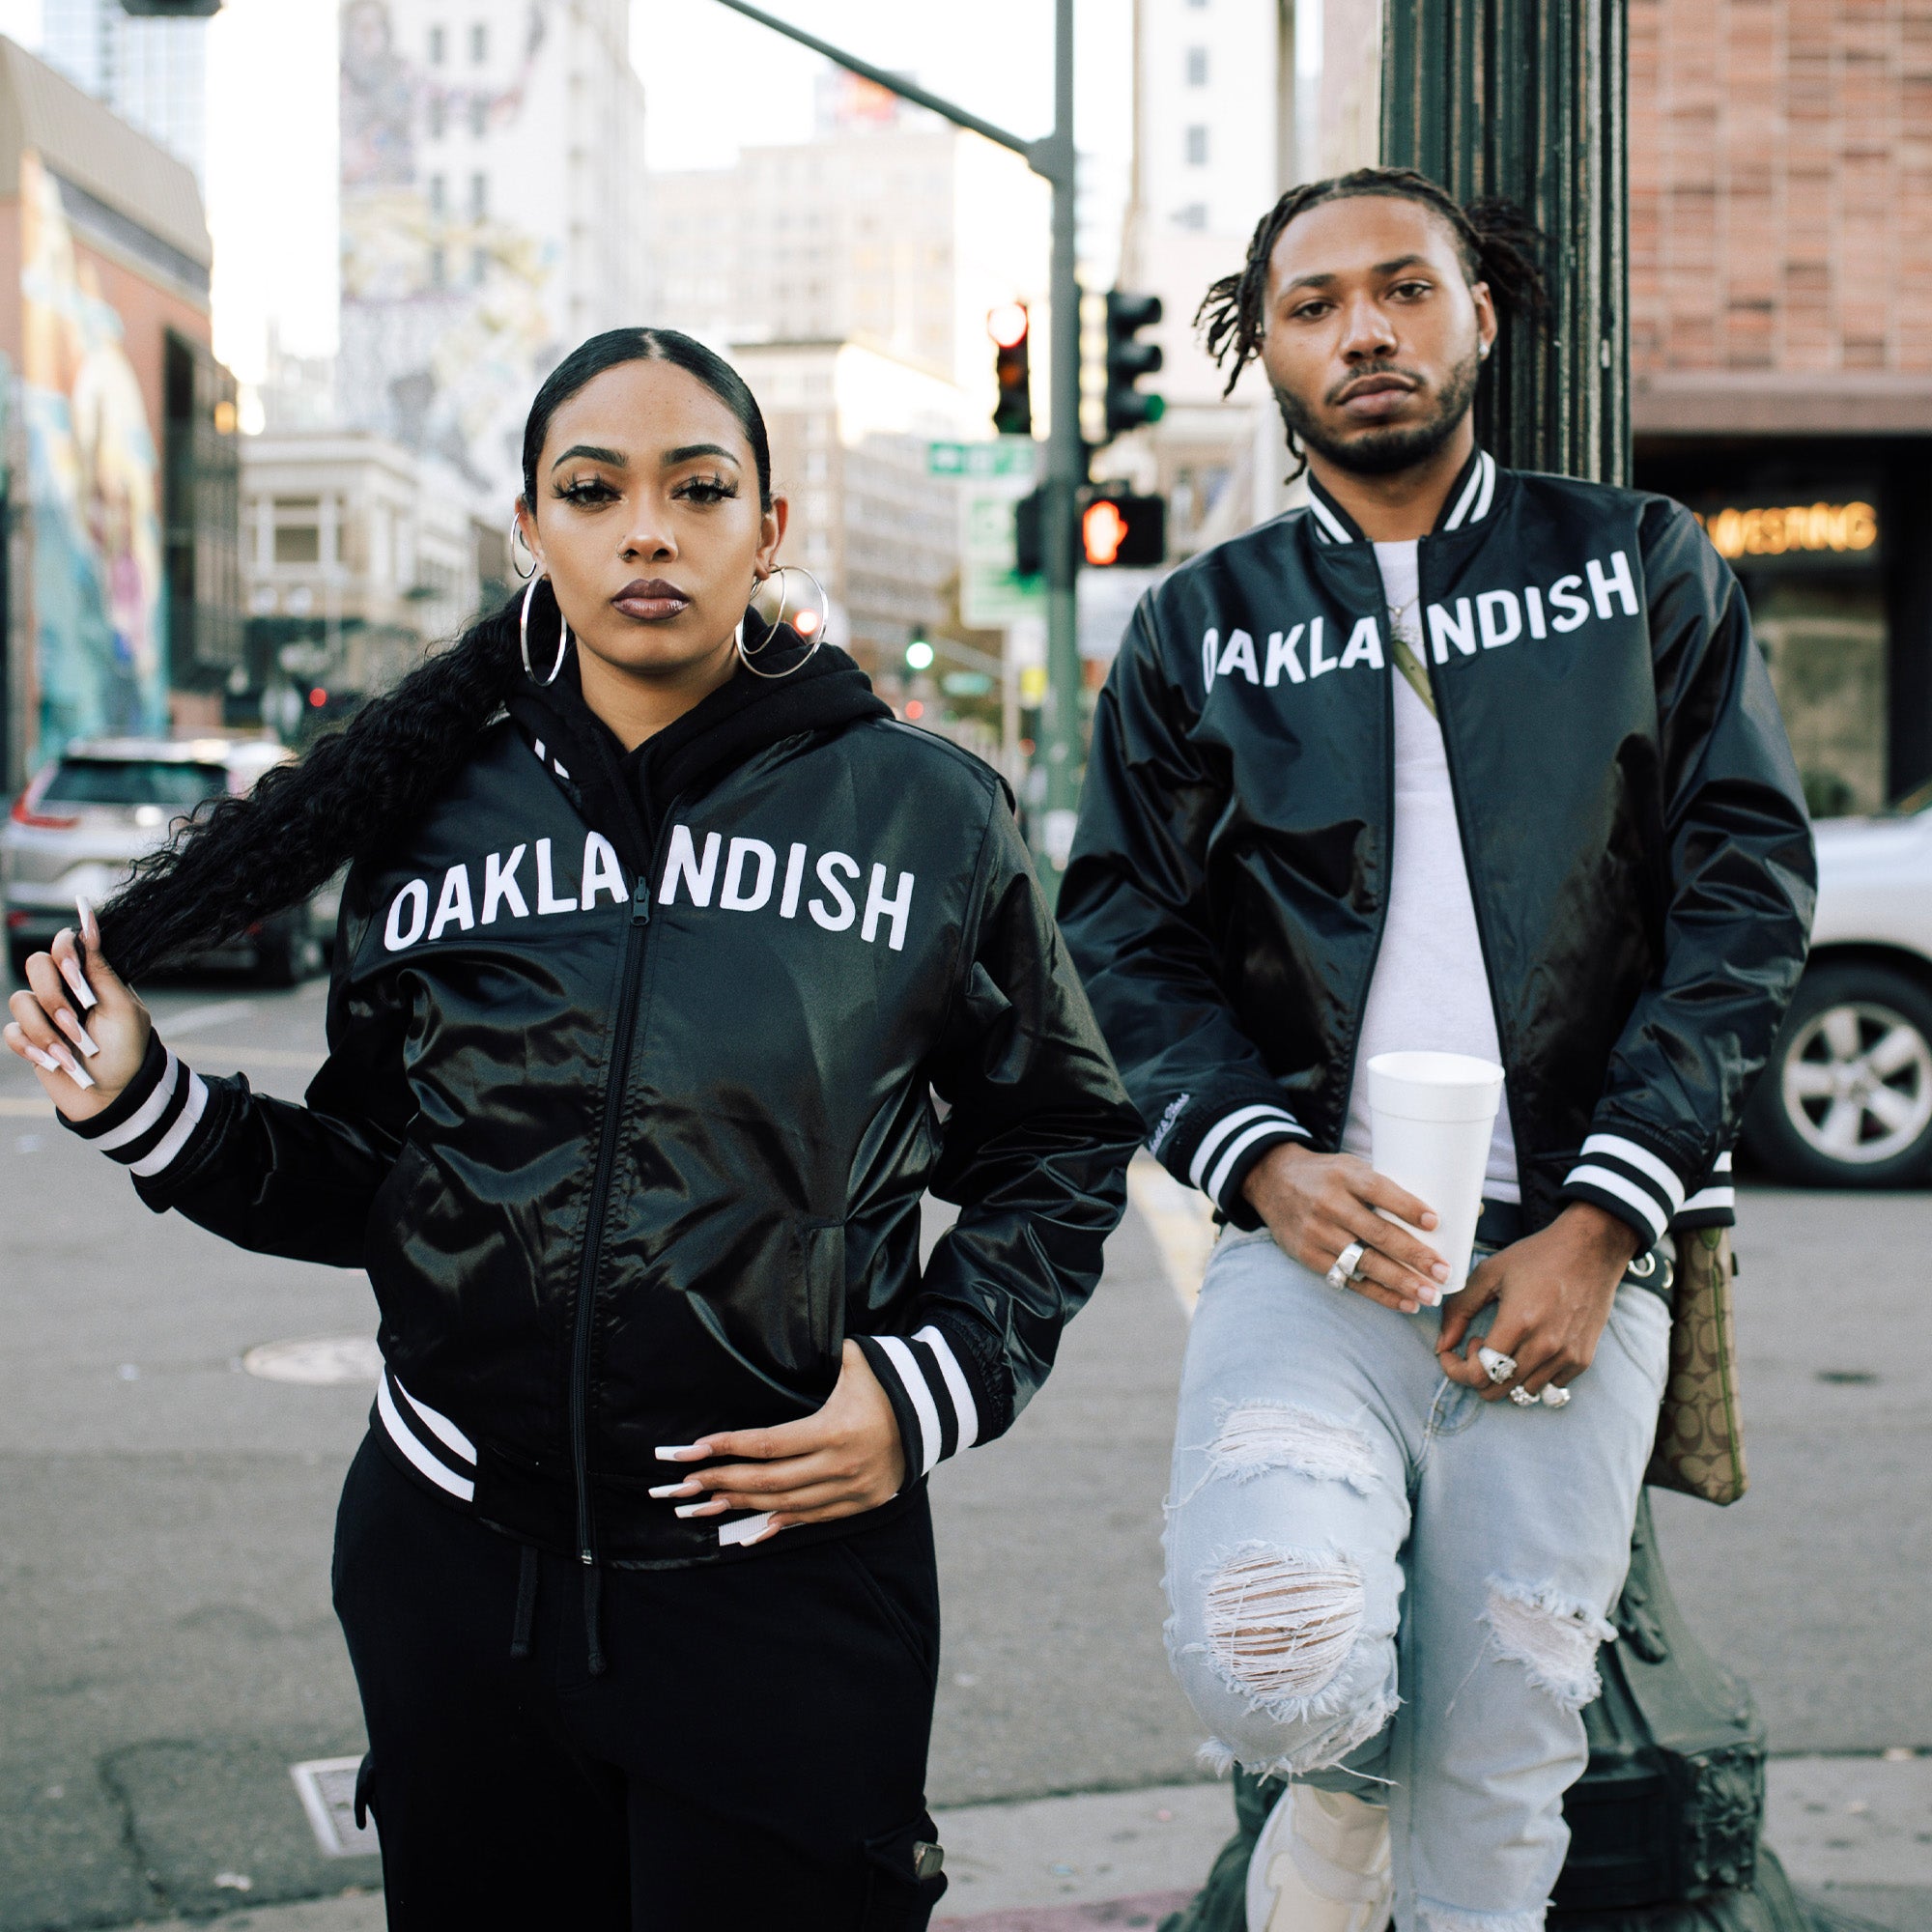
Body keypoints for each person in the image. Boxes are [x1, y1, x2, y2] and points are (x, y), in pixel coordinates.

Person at [7, 327, 1142, 1931]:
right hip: (458, 1570)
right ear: (533, 532)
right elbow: (386, 1181)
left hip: (786, 1583)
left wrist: (931, 1385)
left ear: (772, 524)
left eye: (699, 489)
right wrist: (151, 1106)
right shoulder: (435, 817)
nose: (649, 532)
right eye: (593, 492)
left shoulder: (926, 813)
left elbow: (1062, 1141)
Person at [1057, 170, 1814, 1932]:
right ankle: (1328, 1797)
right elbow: (1126, 931)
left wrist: (1604, 1220)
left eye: (1406, 288)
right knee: (1278, 1660)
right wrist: (1258, 1156)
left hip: (1567, 1259)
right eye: (1315, 304)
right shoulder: (1202, 623)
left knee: (1501, 1767)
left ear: (1486, 311)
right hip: (1313, 1249)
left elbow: (1742, 895)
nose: (1366, 330)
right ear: (1269, 350)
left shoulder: (1637, 568)